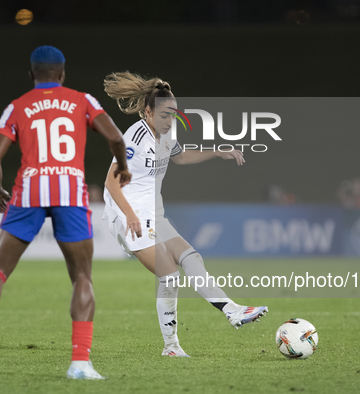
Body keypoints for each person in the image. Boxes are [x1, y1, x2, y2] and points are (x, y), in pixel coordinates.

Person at [0, 46, 131, 380]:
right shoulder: (82, 100)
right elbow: (116, 137)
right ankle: (79, 364)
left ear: (31, 75)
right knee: (82, 277)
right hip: (69, 191)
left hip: (28, 190)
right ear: (62, 73)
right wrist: (122, 166)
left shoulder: (16, 106)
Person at [101, 72, 268, 357]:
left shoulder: (167, 134)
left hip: (153, 212)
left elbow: (180, 156)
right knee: (169, 276)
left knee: (191, 257)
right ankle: (173, 346)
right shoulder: (135, 138)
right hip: (129, 214)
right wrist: (129, 216)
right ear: (148, 111)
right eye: (165, 115)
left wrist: (217, 152)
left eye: (174, 115)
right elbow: (111, 182)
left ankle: (231, 311)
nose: (170, 121)